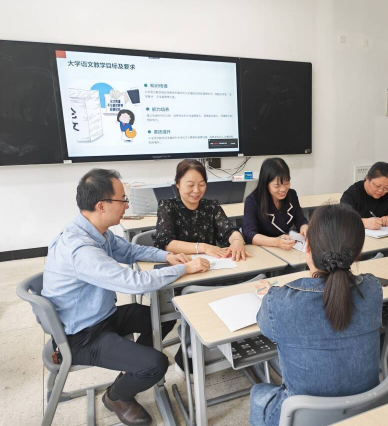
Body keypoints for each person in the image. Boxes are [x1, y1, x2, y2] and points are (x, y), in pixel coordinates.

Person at [43, 169, 209, 426]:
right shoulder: (81, 249)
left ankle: (131, 367)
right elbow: (134, 283)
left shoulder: (96, 230)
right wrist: (183, 269)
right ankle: (116, 396)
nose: (127, 205)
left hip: (101, 316)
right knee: (156, 364)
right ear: (102, 205)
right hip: (82, 336)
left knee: (164, 317)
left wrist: (166, 256)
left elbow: (130, 250)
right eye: (122, 200)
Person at [249, 204, 383, 426]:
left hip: (302, 417)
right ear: (358, 251)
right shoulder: (372, 289)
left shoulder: (279, 301)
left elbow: (265, 327)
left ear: (307, 246)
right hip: (364, 409)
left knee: (258, 393)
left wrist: (271, 295)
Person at [155, 159, 249, 261]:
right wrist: (203, 247)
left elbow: (229, 230)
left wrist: (237, 241)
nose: (196, 190)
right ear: (178, 184)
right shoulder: (167, 206)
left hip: (211, 264)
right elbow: (165, 242)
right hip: (181, 264)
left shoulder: (211, 206)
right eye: (190, 185)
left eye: (201, 185)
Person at [242, 157, 308, 249]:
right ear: (266, 184)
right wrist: (276, 242)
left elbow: (301, 220)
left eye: (287, 183)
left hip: (285, 247)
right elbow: (248, 234)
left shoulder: (292, 195)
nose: (283, 189)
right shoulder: (252, 201)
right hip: (263, 248)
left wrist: (304, 227)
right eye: (277, 186)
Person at [340, 162, 388, 230]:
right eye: (377, 186)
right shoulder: (352, 194)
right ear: (367, 178)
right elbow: (342, 220)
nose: (381, 191)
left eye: (386, 188)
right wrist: (364, 223)